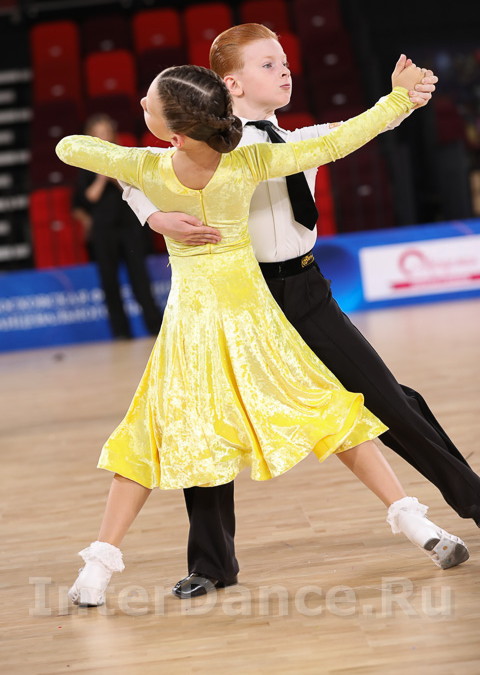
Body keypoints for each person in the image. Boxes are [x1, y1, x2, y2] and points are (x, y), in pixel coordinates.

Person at [56, 63, 469, 609]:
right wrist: (394, 102)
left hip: (191, 333)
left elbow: (69, 147)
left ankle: (97, 569)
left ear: (175, 131)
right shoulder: (248, 160)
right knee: (334, 415)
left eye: (147, 103)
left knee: (151, 439)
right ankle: (417, 525)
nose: (141, 106)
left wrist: (150, 197)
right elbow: (342, 140)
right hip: (256, 322)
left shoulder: (145, 165)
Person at [72, 114, 163, 339]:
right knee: (109, 280)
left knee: (139, 277)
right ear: (91, 136)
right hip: (104, 229)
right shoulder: (85, 163)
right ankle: (121, 331)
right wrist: (101, 177)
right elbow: (89, 198)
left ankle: (154, 325)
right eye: (98, 132)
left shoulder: (124, 157)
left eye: (106, 131)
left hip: (129, 225)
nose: (103, 136)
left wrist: (115, 175)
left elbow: (137, 191)